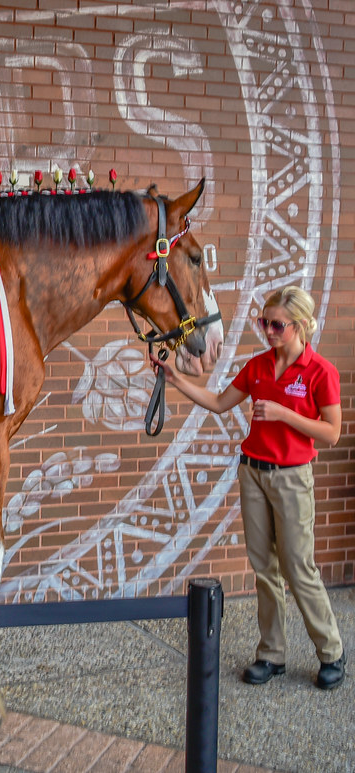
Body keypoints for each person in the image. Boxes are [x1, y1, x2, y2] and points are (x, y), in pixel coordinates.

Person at [152, 285, 345, 689]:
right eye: (264, 322)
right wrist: (174, 379)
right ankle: (271, 654)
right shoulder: (258, 365)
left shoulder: (320, 372)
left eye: (277, 325)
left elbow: (331, 434)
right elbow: (220, 402)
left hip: (292, 478)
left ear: (302, 325)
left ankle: (331, 653)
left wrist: (282, 413)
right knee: (264, 568)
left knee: (299, 568)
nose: (268, 331)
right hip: (253, 473)